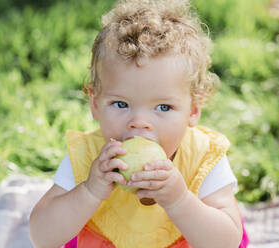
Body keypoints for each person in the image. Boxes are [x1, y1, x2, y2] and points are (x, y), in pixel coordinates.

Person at [29, 0, 249, 247]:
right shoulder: (88, 158)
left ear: (193, 110)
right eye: (121, 104)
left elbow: (227, 241)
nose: (139, 123)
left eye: (163, 107)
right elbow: (41, 237)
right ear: (94, 103)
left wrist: (179, 200)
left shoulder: (203, 158)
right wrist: (89, 191)